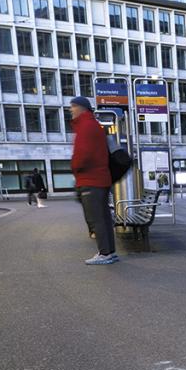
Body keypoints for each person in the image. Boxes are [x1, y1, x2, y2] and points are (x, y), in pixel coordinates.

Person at [68, 96, 117, 265]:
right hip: (100, 179)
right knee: (103, 217)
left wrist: (74, 167)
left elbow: (82, 154)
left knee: (96, 218)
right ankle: (110, 252)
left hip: (91, 180)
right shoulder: (93, 125)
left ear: (82, 108)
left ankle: (104, 254)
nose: (71, 109)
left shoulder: (85, 126)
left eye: (73, 106)